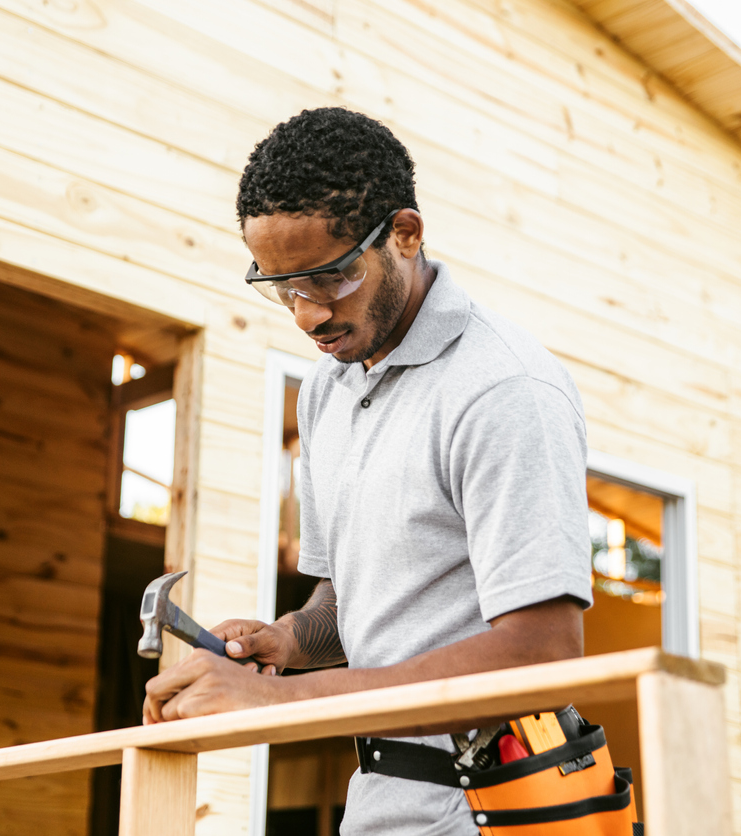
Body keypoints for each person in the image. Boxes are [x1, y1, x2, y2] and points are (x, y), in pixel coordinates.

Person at [143, 107, 592, 835]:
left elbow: (543, 652)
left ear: (405, 236)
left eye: (329, 278)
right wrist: (287, 641)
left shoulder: (504, 389)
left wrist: (276, 705)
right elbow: (350, 612)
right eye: (282, 286)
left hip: (496, 805)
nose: (307, 316)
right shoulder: (328, 389)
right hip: (384, 803)